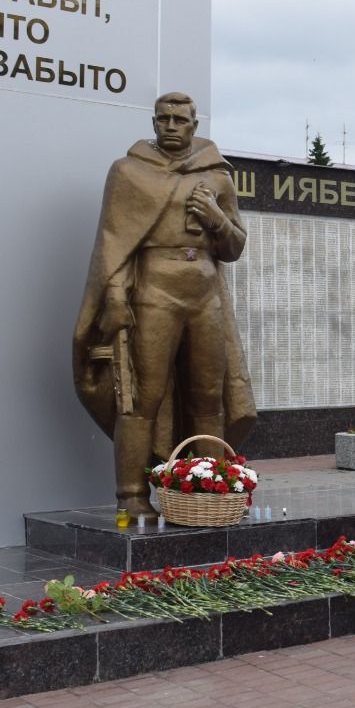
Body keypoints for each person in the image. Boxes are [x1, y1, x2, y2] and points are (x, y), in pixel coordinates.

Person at [72, 92, 258, 519]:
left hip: (204, 292)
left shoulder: (218, 178)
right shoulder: (127, 172)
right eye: (164, 120)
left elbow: (234, 247)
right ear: (154, 124)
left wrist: (215, 217)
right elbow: (112, 245)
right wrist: (116, 297)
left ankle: (209, 488)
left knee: (209, 397)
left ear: (195, 125)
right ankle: (132, 496)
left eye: (181, 120)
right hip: (154, 290)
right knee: (141, 397)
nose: (172, 126)